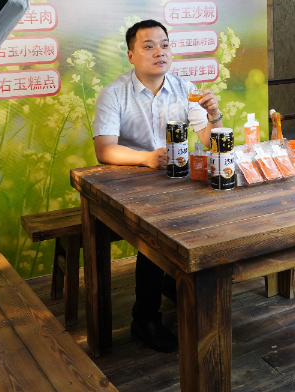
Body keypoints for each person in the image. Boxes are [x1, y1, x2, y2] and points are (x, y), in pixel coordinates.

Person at [91, 19, 225, 353]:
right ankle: (144, 318)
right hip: (130, 184)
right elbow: (104, 150)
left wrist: (214, 115)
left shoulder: (185, 89)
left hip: (176, 180)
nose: (159, 52)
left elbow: (208, 140)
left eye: (164, 45)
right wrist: (146, 158)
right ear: (131, 55)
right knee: (155, 230)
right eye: (148, 46)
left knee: (215, 209)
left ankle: (176, 283)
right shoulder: (113, 93)